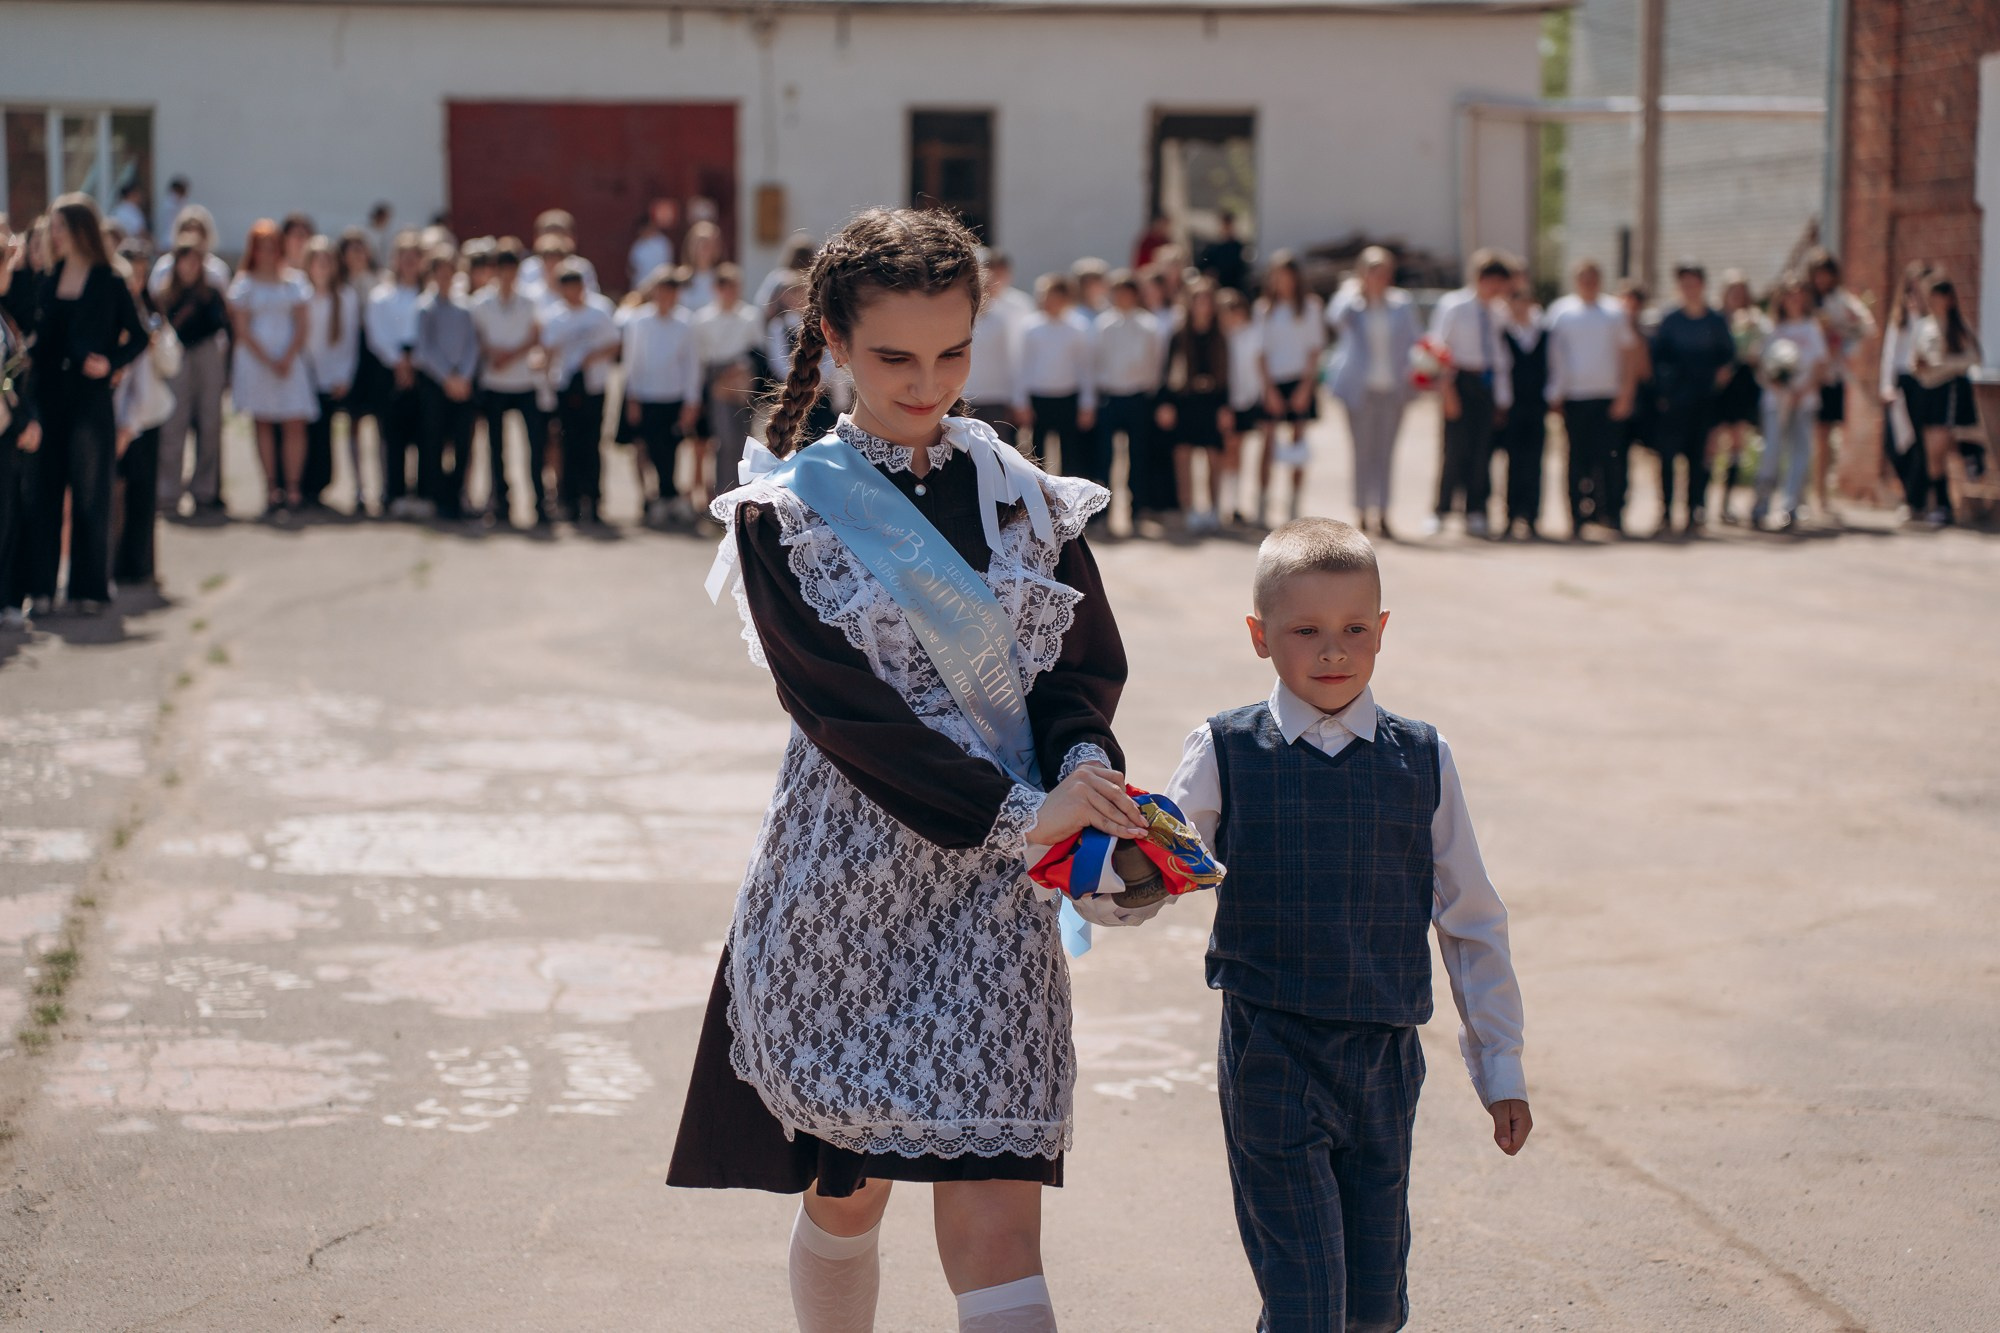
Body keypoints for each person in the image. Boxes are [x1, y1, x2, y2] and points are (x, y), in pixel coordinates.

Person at [670, 206, 1139, 1333]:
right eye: (892, 356)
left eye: (951, 353)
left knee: (996, 1210)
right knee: (851, 1187)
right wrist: (1028, 811)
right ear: (831, 339)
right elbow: (846, 717)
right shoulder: (786, 517)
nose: (926, 382)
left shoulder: (1024, 499)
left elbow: (1079, 677)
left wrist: (1090, 790)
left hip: (996, 898)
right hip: (848, 892)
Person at [1161, 517, 1529, 1333]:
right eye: (1307, 630)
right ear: (1260, 637)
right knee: (1306, 1307)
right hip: (1274, 1051)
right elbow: (1151, 868)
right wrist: (1106, 882)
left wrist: (1499, 1063)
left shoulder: (1422, 756)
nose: (1334, 651)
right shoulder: (1224, 749)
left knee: (1372, 1309)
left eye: (1354, 628)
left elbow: (1470, 916)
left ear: (1382, 631)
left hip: (1385, 1062)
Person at [23, 195, 149, 614]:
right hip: (48, 399)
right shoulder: (47, 277)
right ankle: (40, 588)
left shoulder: (110, 282)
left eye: (59, 226)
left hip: (90, 401)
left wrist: (111, 363)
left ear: (80, 229)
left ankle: (88, 589)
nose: (52, 234)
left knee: (91, 494)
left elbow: (141, 336)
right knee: (44, 493)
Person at [1324, 246, 1420, 539]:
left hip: (1392, 388)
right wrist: (1355, 290)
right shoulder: (1352, 304)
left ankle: (1384, 510)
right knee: (1362, 452)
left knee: (1386, 452)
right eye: (1373, 271)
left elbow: (1416, 339)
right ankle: (1362, 510)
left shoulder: (1401, 304)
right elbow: (1334, 317)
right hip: (1359, 389)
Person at [229, 220, 319, 515]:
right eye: (261, 248)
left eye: (272, 247)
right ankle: (271, 488)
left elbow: (302, 323)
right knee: (264, 421)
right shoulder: (244, 284)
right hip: (257, 363)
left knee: (295, 421)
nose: (267, 253)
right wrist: (268, 359)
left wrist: (287, 357)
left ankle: (293, 487)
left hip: (289, 361)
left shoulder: (294, 281)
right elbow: (242, 329)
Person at [1428, 250, 1516, 537]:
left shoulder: (1500, 312)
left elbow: (1501, 357)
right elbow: (1437, 349)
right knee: (1454, 450)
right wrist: (1447, 391)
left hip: (1487, 385)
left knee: (1482, 451)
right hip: (1459, 381)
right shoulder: (1454, 306)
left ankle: (1476, 509)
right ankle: (1440, 510)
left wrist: (1502, 398)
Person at [1544, 259, 1634, 539]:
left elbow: (1628, 352)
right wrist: (1555, 395)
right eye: (1583, 277)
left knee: (1610, 459)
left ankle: (1612, 514)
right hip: (1575, 397)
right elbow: (1552, 356)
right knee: (1576, 459)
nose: (1588, 283)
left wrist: (1626, 394)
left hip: (1608, 396)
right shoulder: (1561, 312)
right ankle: (1577, 517)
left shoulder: (1614, 311)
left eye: (1593, 277)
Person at [1648, 262, 1736, 536]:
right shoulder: (1670, 320)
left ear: (1702, 285)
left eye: (1693, 283)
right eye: (1684, 283)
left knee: (1699, 458)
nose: (1689, 289)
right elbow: (1657, 358)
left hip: (1704, 399)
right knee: (1668, 457)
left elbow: (1728, 356)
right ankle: (1666, 512)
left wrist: (1720, 378)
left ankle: (1695, 510)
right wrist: (1663, 393)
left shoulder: (1715, 321)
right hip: (1675, 400)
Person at [470, 238, 548, 527]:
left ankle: (540, 503)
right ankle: (502, 503)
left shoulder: (529, 301)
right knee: (495, 448)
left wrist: (511, 355)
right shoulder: (480, 302)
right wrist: (493, 354)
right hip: (494, 383)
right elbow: (476, 337)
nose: (507, 275)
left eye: (511, 269)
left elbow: (536, 335)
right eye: (502, 269)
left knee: (535, 446)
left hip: (524, 381)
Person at [152, 241, 231, 518]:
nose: (189, 267)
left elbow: (223, 325)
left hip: (206, 355)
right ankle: (168, 491)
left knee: (210, 423)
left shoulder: (211, 293)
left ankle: (205, 490)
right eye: (184, 261)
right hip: (177, 358)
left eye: (195, 261)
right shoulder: (164, 295)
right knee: (174, 425)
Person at [112, 248, 175, 587]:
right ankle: (114, 563)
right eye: (130, 274)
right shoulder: (113, 310)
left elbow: (169, 364)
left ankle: (140, 565)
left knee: (143, 494)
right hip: (118, 419)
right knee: (115, 493)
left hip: (146, 417)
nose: (136, 281)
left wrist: (157, 343)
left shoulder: (153, 313)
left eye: (141, 274)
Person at [621, 266, 703, 525]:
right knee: (645, 449)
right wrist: (631, 395)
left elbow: (692, 364)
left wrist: (692, 400)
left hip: (673, 396)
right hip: (645, 395)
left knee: (670, 450)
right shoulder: (639, 321)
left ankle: (669, 496)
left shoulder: (685, 322)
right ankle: (650, 497)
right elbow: (631, 360)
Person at [540, 262, 620, 526]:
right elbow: (548, 353)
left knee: (592, 444)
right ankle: (570, 501)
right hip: (565, 387)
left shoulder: (599, 311)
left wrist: (592, 357)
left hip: (594, 387)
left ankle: (594, 500)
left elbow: (615, 344)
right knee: (568, 444)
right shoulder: (555, 315)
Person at [1751, 275, 1828, 532]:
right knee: (1772, 450)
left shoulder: (1811, 328)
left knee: (1800, 452)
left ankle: (1790, 506)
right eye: (1789, 294)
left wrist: (1801, 391)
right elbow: (1762, 365)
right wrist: (1777, 385)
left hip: (1803, 401)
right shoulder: (1774, 329)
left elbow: (1819, 365)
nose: (1794, 300)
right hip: (1776, 401)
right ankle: (1761, 502)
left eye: (1799, 295)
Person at [1253, 252, 1325, 526]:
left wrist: (1306, 387)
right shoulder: (1264, 309)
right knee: (1268, 444)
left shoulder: (1310, 307)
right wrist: (1269, 389)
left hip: (1299, 380)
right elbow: (1259, 352)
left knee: (1298, 444)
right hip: (1273, 380)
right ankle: (1262, 506)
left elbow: (1315, 351)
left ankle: (1294, 508)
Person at [1155, 277, 1232, 531]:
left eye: (1207, 300)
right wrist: (1165, 403)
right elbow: (1167, 372)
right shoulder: (1179, 335)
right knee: (1183, 456)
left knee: (1213, 457)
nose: (1203, 306)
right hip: (1185, 402)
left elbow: (1228, 374)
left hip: (1212, 403)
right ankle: (1188, 510)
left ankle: (1212, 509)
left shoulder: (1220, 335)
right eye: (1198, 300)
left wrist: (1226, 406)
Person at [1806, 249, 1877, 520]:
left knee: (1825, 436)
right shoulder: (1806, 300)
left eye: (1826, 273)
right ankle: (1804, 492)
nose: (1822, 279)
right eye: (1817, 273)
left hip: (1831, 376)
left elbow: (1865, 326)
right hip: (1806, 377)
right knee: (1807, 436)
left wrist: (1842, 345)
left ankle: (1821, 494)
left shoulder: (1841, 301)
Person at [411, 249, 481, 521]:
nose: (444, 277)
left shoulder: (465, 308)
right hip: (435, 384)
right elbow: (423, 349)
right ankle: (435, 496)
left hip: (461, 383)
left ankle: (456, 495)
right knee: (434, 442)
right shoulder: (425, 307)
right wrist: (447, 378)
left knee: (463, 442)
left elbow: (472, 345)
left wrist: (463, 376)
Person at [1910, 276, 1983, 528]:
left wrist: (1944, 365)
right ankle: (1941, 503)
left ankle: (1972, 454)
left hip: (1949, 389)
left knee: (1943, 440)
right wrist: (1922, 367)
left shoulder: (1959, 326)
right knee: (1932, 451)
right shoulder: (1923, 326)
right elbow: (1916, 360)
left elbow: (1975, 357)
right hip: (1928, 390)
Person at [365, 233, 427, 517]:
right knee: (392, 436)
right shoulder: (381, 296)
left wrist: (415, 362)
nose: (409, 262)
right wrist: (399, 363)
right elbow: (377, 335)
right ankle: (394, 493)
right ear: (395, 260)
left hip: (424, 370)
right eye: (404, 256)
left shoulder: (428, 295)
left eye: (415, 256)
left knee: (425, 434)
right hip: (389, 370)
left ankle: (424, 493)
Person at [1014, 274, 1097, 482]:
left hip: (1068, 398)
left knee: (1071, 455)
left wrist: (1087, 404)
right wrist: (1021, 402)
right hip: (1039, 398)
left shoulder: (1078, 327)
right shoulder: (1030, 327)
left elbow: (1085, 368)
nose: (1046, 301)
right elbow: (1022, 366)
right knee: (1038, 456)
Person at [1093, 270, 1163, 516]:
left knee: (1138, 455)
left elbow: (1155, 363)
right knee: (1106, 457)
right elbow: (1096, 361)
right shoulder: (1103, 324)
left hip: (1137, 397)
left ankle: (1137, 509)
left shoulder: (1148, 325)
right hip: (1110, 397)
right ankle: (1103, 512)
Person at [301, 237, 361, 511]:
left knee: (325, 436)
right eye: (318, 261)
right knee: (306, 435)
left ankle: (322, 486)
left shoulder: (346, 298)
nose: (323, 267)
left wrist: (344, 376)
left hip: (333, 378)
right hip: (304, 376)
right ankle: (303, 488)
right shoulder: (301, 295)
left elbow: (349, 343)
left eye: (328, 261)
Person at [694, 262, 762, 503]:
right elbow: (701, 359)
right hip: (717, 379)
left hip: (742, 378)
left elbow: (757, 350)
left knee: (744, 439)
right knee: (724, 439)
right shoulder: (704, 319)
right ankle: (723, 493)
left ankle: (743, 494)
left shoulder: (749, 316)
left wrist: (742, 369)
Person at [1874, 263, 1934, 521]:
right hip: (1900, 383)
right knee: (1893, 443)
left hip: (1923, 382)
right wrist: (1885, 386)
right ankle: (1910, 494)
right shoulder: (1900, 318)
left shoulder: (1930, 320)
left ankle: (1916, 501)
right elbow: (1889, 353)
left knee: (1920, 443)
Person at [1712, 271, 1767, 525]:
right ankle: (1703, 502)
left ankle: (1727, 502)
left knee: (1737, 443)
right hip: (1719, 386)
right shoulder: (1715, 319)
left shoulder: (1755, 321)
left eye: (1741, 292)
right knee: (1712, 443)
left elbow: (1759, 353)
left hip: (1742, 385)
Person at [1498, 280, 1550, 539]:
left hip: (1537, 404)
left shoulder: (1543, 332)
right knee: (1513, 461)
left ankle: (1532, 515)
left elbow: (1554, 365)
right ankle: (1511, 514)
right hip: (1513, 406)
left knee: (1535, 461)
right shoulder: (1504, 333)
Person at [964, 251, 1031, 437]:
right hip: (969, 391)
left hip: (1001, 392)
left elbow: (1018, 355)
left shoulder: (1019, 305)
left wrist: (1018, 397)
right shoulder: (965, 311)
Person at [628, 199, 678, 293]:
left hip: (660, 287)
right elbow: (632, 268)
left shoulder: (663, 243)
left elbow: (667, 265)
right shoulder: (638, 245)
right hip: (640, 288)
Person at [1198, 210, 1251, 295]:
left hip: (1234, 290)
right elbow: (1202, 266)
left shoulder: (1239, 248)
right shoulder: (1212, 248)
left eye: (1228, 224)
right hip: (1216, 291)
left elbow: (1242, 271)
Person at [680, 220, 723, 312]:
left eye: (707, 245)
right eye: (697, 244)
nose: (702, 250)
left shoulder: (722, 278)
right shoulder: (679, 278)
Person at [112, 176, 150, 244]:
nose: (141, 196)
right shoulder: (127, 211)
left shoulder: (126, 209)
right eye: (139, 193)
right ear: (132, 194)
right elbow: (141, 232)